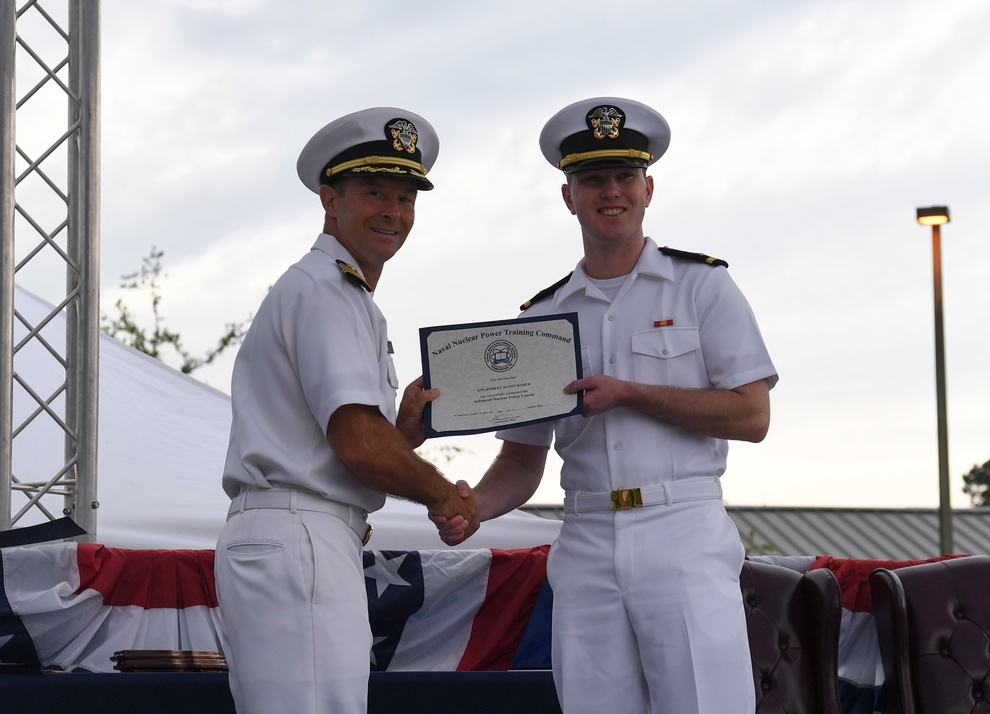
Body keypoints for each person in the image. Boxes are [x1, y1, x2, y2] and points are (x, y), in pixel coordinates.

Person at [434, 97, 778, 713]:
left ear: (648, 188)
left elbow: (752, 416)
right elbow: (521, 462)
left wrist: (631, 393)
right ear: (569, 197)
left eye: (624, 177)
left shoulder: (703, 285)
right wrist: (471, 509)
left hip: (683, 530)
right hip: (587, 534)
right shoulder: (540, 319)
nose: (610, 192)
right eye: (592, 179)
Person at [214, 107, 478, 714]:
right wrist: (443, 495)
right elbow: (357, 444)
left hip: (301, 532)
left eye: (407, 197)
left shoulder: (338, 292)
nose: (394, 211)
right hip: (300, 533)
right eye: (375, 193)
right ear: (330, 200)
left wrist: (401, 436)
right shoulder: (327, 289)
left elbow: (346, 444)